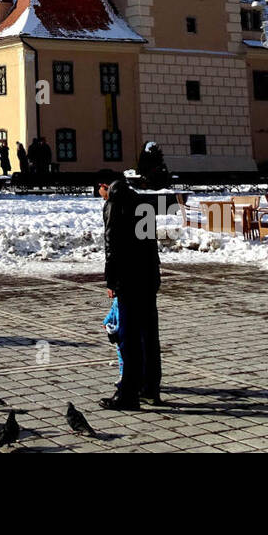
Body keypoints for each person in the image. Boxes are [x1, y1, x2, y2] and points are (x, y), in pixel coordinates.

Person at [98, 174, 162, 410]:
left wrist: (111, 281)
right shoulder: (143, 202)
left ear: (104, 186)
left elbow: (111, 246)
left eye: (99, 190)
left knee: (129, 337)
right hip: (147, 276)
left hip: (128, 278)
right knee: (149, 335)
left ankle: (128, 393)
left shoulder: (114, 205)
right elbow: (150, 242)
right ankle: (150, 388)